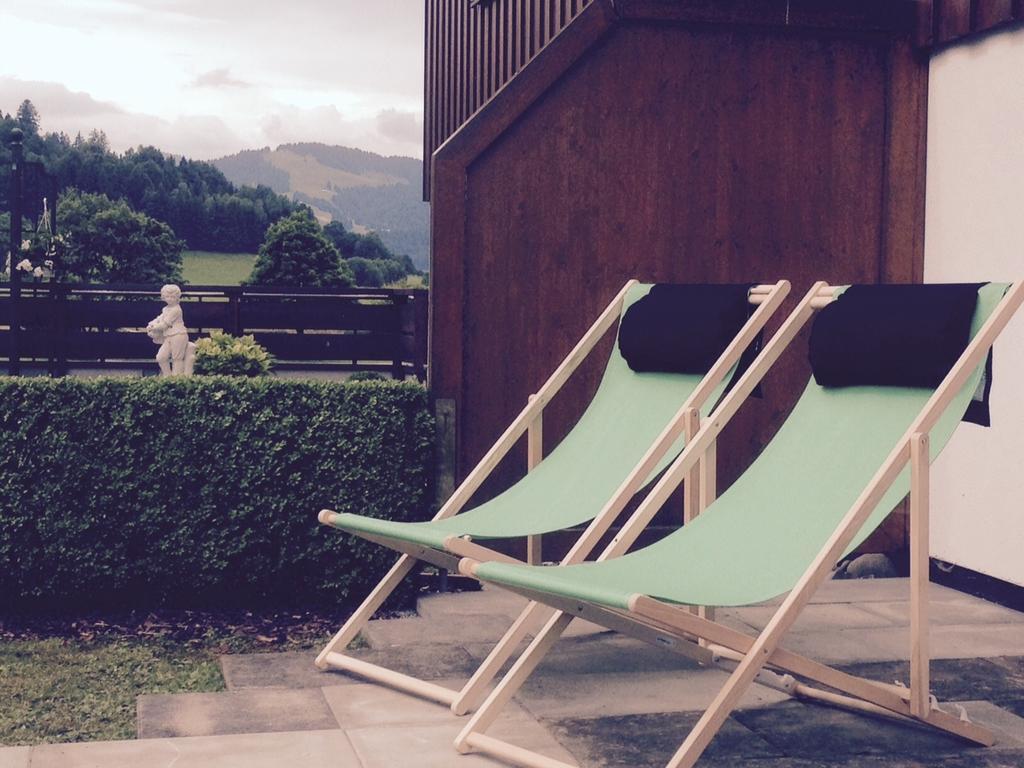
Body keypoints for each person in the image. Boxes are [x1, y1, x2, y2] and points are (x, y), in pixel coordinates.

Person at [147, 284, 194, 376]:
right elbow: (159, 318)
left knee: (177, 359)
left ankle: (177, 379)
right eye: (167, 296)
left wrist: (153, 327)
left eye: (172, 297)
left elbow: (165, 324)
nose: (169, 299)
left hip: (178, 335)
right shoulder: (166, 309)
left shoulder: (176, 310)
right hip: (168, 336)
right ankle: (168, 377)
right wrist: (151, 323)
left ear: (177, 297)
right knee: (161, 357)